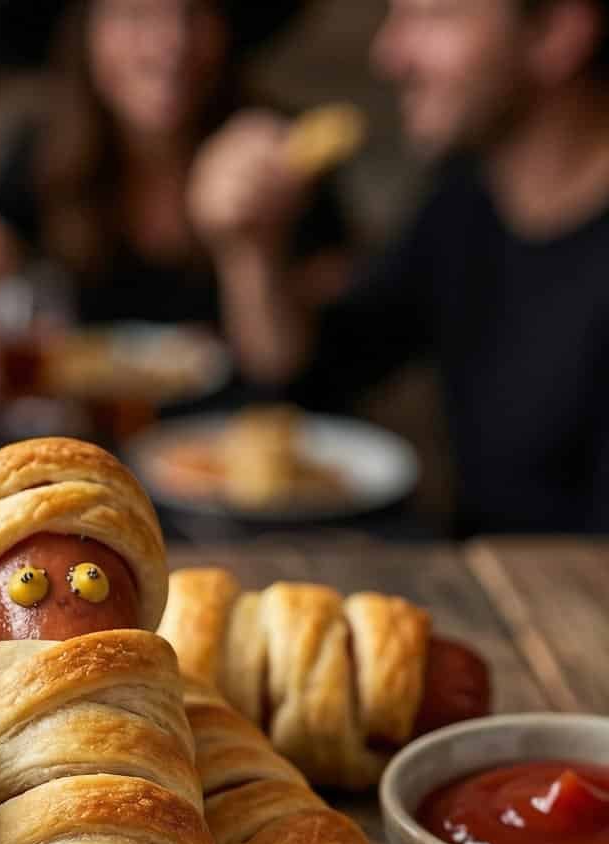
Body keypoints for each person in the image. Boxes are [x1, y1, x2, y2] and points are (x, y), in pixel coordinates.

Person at [191, 0, 609, 534]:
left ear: (556, 32)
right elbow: (307, 377)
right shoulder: (463, 202)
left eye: (436, 16)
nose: (389, 54)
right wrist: (251, 251)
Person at [0, 0, 352, 405]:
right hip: (90, 453)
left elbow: (283, 371)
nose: (170, 44)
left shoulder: (282, 155)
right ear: (87, 32)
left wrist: (249, 245)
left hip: (228, 463)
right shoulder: (44, 151)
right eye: (136, 15)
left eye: (193, 13)